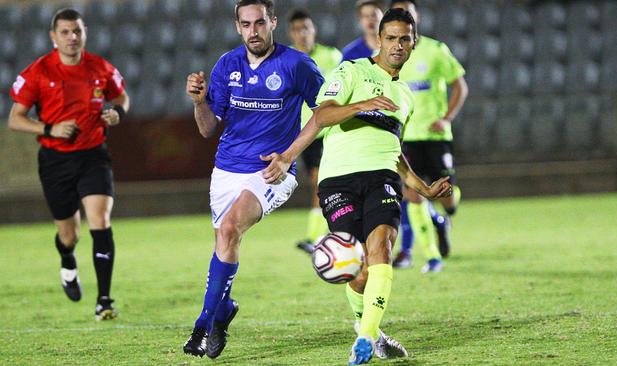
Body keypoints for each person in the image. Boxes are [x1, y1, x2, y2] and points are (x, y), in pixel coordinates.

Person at [263, 8, 452, 365]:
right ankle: (369, 330)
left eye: (405, 39)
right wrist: (363, 104)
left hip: (382, 178)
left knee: (381, 247)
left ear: (414, 43)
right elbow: (322, 115)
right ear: (380, 39)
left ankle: (364, 340)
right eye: (391, 38)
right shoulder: (352, 70)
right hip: (338, 181)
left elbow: (394, 152)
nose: (398, 45)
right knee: (357, 269)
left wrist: (422, 188)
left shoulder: (406, 98)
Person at [182, 0, 324, 359]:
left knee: (229, 231)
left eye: (259, 23)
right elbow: (207, 129)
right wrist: (200, 102)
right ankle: (224, 311)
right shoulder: (227, 65)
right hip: (226, 169)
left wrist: (289, 155)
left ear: (272, 22)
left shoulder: (297, 65)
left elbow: (325, 112)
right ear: (237, 27)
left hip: (270, 171)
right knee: (224, 244)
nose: (253, 31)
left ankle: (202, 325)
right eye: (246, 24)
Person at [7, 8, 129, 321]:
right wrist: (49, 129)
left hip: (93, 155)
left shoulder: (99, 67)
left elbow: (121, 97)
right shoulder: (39, 72)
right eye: (65, 32)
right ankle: (68, 260)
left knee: (100, 221)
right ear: (53, 37)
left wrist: (118, 113)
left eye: (77, 31)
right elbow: (15, 119)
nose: (72, 37)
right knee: (69, 234)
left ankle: (104, 300)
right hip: (55, 160)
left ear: (84, 32)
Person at [390, 0, 468, 271]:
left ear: (416, 16)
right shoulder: (391, 56)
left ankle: (443, 218)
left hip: (435, 137)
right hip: (406, 136)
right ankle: (432, 257)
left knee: (447, 195)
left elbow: (460, 86)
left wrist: (446, 117)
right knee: (413, 193)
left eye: (409, 11)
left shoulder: (435, 50)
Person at [286, 8, 343, 254]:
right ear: (291, 33)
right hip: (301, 133)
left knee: (321, 182)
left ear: (314, 30)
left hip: (329, 130)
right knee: (320, 183)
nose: (302, 34)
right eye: (297, 30)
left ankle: (315, 236)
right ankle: (329, 232)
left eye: (306, 28)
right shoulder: (285, 59)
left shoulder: (332, 56)